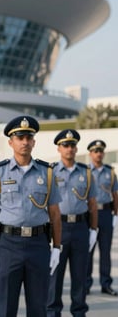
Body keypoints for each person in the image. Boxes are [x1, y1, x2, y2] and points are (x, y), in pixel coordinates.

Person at [0, 116, 62, 317]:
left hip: (38, 244)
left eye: (29, 137)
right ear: (11, 142)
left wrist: (56, 247)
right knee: (6, 306)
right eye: (20, 137)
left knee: (38, 306)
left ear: (34, 141)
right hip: (8, 244)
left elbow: (54, 213)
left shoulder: (46, 173)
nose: (25, 142)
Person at [47, 129, 98, 317]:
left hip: (79, 228)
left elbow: (92, 204)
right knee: (55, 276)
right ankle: (52, 312)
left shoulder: (86, 172)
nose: (69, 149)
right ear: (59, 148)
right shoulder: (51, 171)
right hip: (58, 228)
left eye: (72, 145)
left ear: (76, 148)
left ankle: (79, 312)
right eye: (65, 145)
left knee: (79, 276)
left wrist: (93, 229)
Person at [86, 140, 118, 296]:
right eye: (95, 151)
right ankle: (86, 284)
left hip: (105, 213)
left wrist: (116, 215)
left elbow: (115, 195)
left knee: (105, 251)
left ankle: (106, 284)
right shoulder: (85, 171)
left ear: (103, 153)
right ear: (90, 154)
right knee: (88, 251)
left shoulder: (110, 172)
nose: (98, 153)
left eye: (100, 151)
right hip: (89, 214)